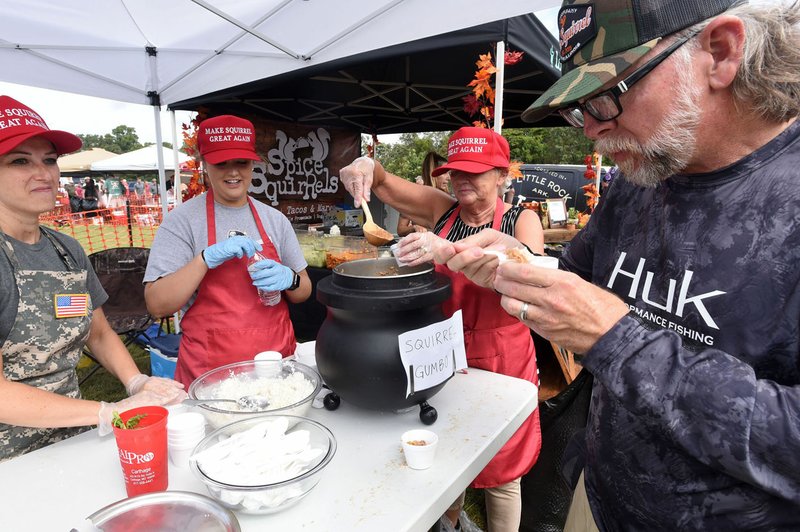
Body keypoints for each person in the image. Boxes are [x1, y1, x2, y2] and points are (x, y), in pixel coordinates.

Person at [430, 0, 800, 529]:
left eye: (607, 97)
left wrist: (617, 337)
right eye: (579, 107)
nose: (590, 130)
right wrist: (522, 262)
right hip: (599, 498)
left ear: (721, 52)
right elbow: (580, 275)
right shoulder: (641, 177)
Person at [340, 126, 544, 532]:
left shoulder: (524, 219)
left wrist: (447, 250)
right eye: (456, 171)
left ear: (503, 175)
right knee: (446, 455)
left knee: (503, 471)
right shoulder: (443, 210)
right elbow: (384, 183)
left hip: (504, 355)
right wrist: (367, 166)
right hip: (443, 353)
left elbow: (531, 271)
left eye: (476, 172)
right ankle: (450, 525)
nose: (462, 180)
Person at [0, 95, 185, 462]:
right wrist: (107, 412)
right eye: (20, 161)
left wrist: (137, 382)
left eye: (49, 160)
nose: (44, 173)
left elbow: (97, 333)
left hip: (70, 441)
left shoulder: (66, 249)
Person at [144, 115, 312, 388]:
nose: (233, 173)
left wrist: (290, 278)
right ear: (204, 164)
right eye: (221, 163)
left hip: (276, 368)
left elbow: (304, 290)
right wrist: (204, 260)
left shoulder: (274, 220)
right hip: (211, 375)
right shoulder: (183, 221)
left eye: (241, 163)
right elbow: (157, 304)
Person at [396, 151, 448, 236]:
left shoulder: (449, 200)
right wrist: (414, 227)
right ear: (433, 172)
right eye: (445, 173)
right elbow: (401, 230)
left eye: (448, 173)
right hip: (423, 247)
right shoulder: (413, 197)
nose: (448, 178)